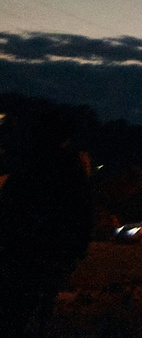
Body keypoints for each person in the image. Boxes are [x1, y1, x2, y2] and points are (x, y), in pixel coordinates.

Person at [0, 104, 94, 338]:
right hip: (53, 249)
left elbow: (9, 202)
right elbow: (82, 210)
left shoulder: (28, 164)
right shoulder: (72, 167)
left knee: (16, 306)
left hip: (23, 247)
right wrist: (78, 247)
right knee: (39, 306)